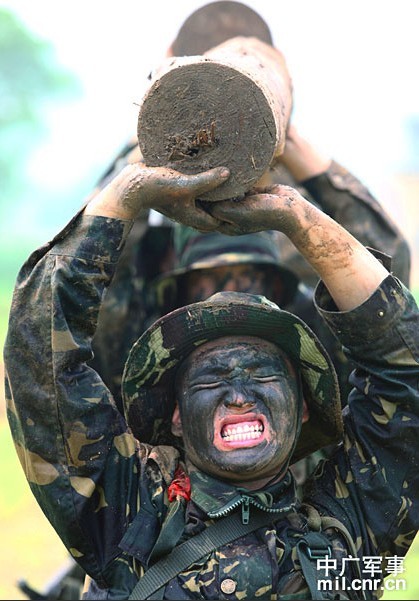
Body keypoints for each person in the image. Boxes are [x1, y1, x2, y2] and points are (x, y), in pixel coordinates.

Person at [4, 156, 418, 600]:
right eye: (209, 381)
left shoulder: (349, 530)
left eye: (262, 374)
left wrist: (301, 221)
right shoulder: (128, 520)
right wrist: (122, 196)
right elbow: (39, 362)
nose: (239, 396)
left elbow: (405, 376)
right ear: (177, 415)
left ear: (301, 408)